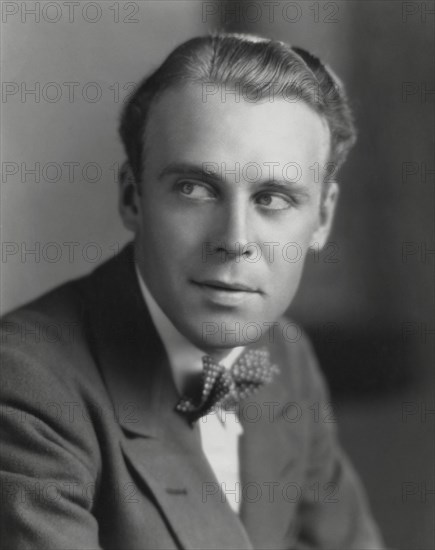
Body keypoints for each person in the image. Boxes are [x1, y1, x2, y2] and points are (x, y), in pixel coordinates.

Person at [0, 33, 384, 549]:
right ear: (133, 198)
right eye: (195, 189)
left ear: (322, 218)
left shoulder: (285, 356)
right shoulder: (26, 384)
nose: (234, 242)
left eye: (273, 198)